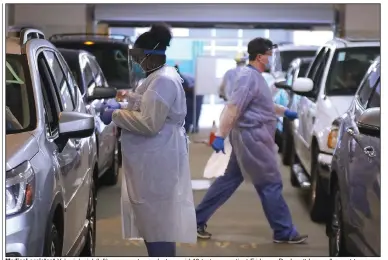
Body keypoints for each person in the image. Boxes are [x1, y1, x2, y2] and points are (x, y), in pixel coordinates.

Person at [195, 37, 308, 244]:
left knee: (228, 180)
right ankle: (283, 231)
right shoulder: (249, 78)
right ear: (260, 56)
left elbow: (261, 104)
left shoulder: (255, 77)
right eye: (269, 55)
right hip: (253, 138)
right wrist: (219, 135)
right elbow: (234, 108)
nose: (271, 59)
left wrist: (284, 112)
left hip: (250, 138)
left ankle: (196, 221)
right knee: (271, 183)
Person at [99, 24, 197, 257]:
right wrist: (125, 103)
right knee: (153, 220)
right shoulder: (161, 76)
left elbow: (149, 123)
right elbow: (148, 102)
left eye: (137, 56)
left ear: (149, 55)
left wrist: (115, 114)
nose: (135, 61)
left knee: (157, 221)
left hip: (157, 158)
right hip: (155, 156)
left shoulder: (163, 80)